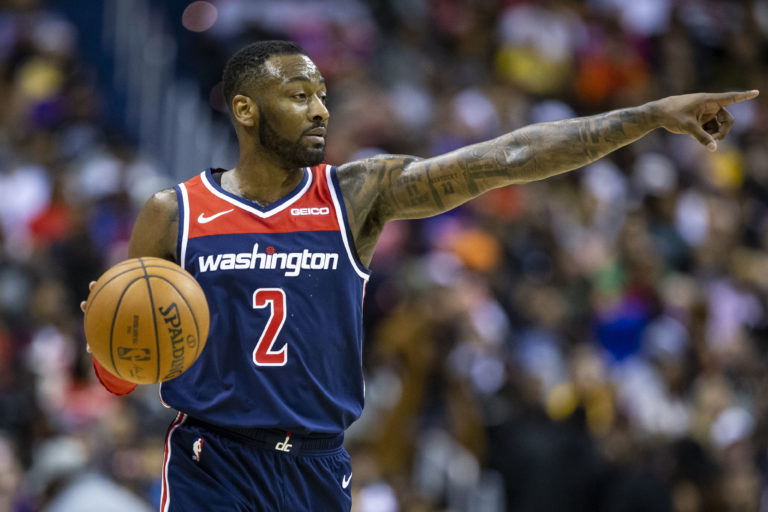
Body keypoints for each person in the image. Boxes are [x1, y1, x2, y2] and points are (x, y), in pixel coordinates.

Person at [82, 40, 758, 511]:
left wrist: (645, 116)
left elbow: (510, 156)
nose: (321, 109)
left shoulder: (356, 195)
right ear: (245, 110)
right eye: (298, 95)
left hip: (316, 464)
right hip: (213, 460)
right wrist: (112, 345)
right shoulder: (175, 214)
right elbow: (121, 377)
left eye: (322, 94)